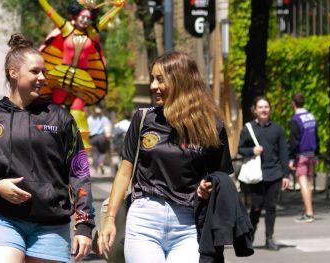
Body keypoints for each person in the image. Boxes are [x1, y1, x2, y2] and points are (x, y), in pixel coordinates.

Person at [0, 33, 95, 263]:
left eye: (44, 72)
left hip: (52, 226)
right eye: (35, 71)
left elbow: (79, 173)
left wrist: (84, 225)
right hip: (4, 220)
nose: (42, 77)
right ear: (13, 72)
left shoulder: (60, 118)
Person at [97, 51, 233, 262]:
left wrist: (208, 187)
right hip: (144, 218)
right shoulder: (144, 119)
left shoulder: (212, 127)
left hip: (189, 223)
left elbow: (220, 178)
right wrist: (110, 219)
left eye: (160, 79)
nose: (153, 86)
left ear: (181, 80)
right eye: (152, 78)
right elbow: (124, 174)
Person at [238, 96, 290, 251]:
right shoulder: (248, 128)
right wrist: (251, 150)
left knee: (271, 207)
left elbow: (283, 152)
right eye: (260, 107)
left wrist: (286, 175)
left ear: (270, 109)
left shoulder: (277, 129)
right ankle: (250, 235)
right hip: (256, 176)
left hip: (274, 174)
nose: (264, 110)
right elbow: (240, 149)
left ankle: (269, 239)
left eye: (266, 107)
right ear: (255, 110)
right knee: (256, 207)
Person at [288, 93, 319, 223]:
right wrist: (317, 154)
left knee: (303, 184)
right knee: (309, 183)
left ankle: (309, 213)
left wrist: (290, 158)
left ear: (293, 103)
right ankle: (308, 209)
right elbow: (317, 137)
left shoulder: (296, 119)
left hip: (301, 155)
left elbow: (294, 141)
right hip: (312, 154)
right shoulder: (311, 117)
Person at [87, 106, 113, 175]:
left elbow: (86, 130)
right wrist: (109, 136)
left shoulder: (89, 119)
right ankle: (101, 163)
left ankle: (96, 169)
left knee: (95, 153)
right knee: (103, 151)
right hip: (102, 137)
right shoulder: (104, 119)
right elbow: (108, 129)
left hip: (92, 138)